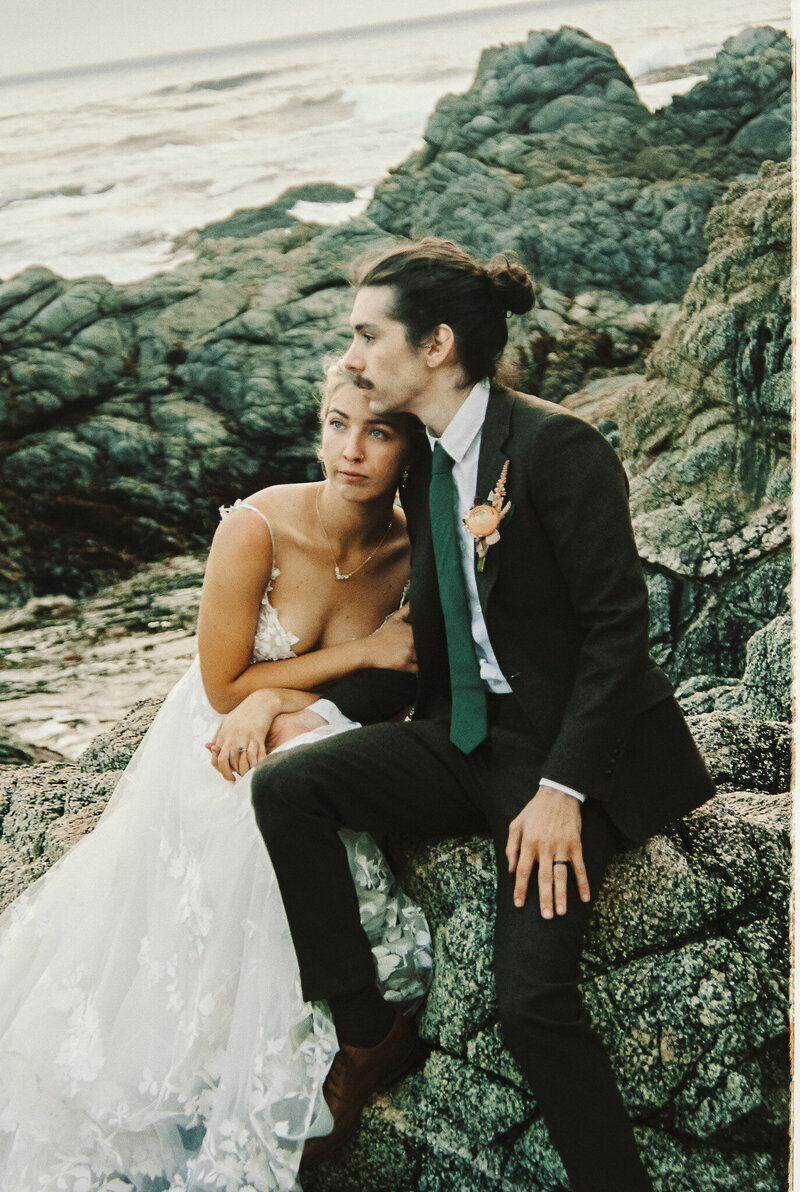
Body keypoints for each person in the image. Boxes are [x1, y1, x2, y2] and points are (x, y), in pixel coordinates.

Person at [251, 238, 716, 1192]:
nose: (350, 358)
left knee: (530, 1003)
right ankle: (369, 1031)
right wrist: (287, 697)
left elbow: (619, 639)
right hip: (465, 740)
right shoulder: (426, 463)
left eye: (366, 336)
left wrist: (562, 792)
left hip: (571, 759)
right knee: (289, 789)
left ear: (436, 347)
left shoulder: (556, 448)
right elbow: (434, 637)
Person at [0, 363, 430, 1192]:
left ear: (410, 445)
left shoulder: (415, 550)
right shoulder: (258, 526)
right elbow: (222, 685)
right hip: (214, 737)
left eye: (377, 431)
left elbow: (405, 682)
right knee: (246, 833)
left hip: (303, 735)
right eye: (337, 424)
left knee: (295, 797)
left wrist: (288, 704)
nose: (350, 450)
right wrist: (308, 678)